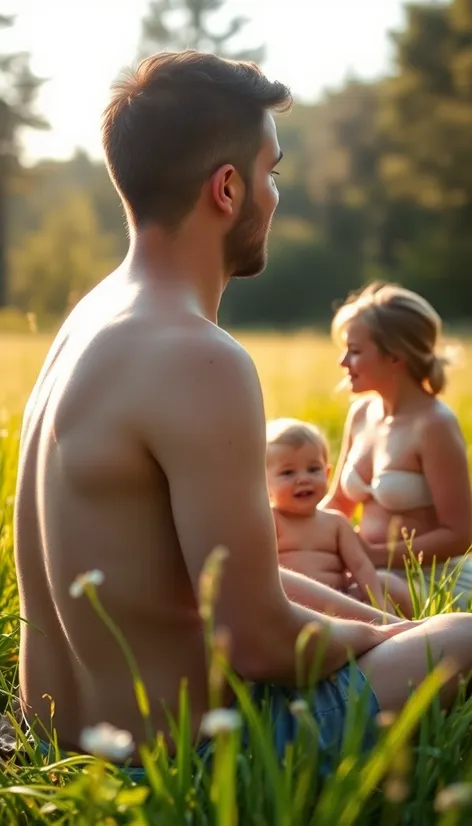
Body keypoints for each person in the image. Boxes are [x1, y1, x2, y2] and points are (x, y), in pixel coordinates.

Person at [13, 52, 472, 777]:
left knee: (419, 631)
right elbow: (258, 641)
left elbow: (222, 582)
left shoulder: (90, 322)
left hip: (62, 744)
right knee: (464, 639)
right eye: (273, 173)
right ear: (228, 189)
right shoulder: (198, 356)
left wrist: (385, 626)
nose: (275, 195)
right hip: (184, 762)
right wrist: (382, 642)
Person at [321, 282, 472, 608]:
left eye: (356, 350)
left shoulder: (435, 426)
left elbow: (460, 534)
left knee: (365, 593)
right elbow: (338, 504)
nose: (343, 361)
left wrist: (374, 556)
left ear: (396, 356)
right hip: (368, 570)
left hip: (432, 577)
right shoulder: (361, 413)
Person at [266, 418, 412, 616]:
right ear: (264, 484)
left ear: (327, 473)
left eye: (313, 469)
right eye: (288, 472)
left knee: (387, 581)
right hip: (294, 609)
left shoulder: (335, 522)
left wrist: (379, 605)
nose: (303, 479)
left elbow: (360, 566)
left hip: (340, 603)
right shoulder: (271, 522)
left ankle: (394, 627)